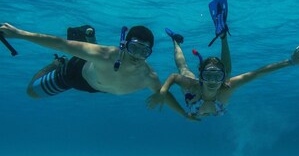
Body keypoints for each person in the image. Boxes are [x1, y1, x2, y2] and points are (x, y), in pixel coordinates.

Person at [146, 0, 299, 118]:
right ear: (201, 77)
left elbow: (258, 73)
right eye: (209, 76)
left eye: (215, 76)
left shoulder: (224, 86)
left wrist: (290, 61)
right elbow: (174, 76)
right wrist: (163, 91)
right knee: (184, 68)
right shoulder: (196, 86)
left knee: (225, 76)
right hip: (197, 91)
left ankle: (222, 36)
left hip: (202, 99)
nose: (212, 81)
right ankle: (176, 41)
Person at [0, 22, 190, 119]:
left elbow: (164, 95)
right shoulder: (106, 55)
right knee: (31, 92)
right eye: (134, 48)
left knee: (93, 61)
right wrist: (19, 34)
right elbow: (61, 44)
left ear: (149, 53)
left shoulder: (149, 76)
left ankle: (88, 41)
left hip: (99, 84)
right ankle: (58, 64)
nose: (137, 56)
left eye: (144, 51)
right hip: (76, 75)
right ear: (124, 45)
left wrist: (184, 114)